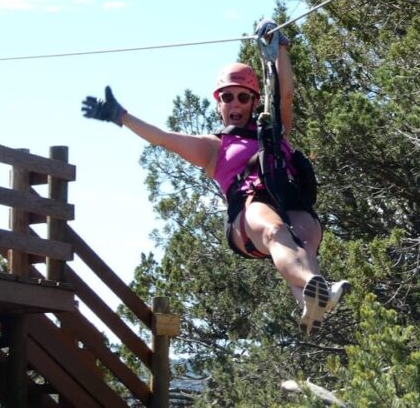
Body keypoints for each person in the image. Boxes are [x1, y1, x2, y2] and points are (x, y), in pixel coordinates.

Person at [81, 20, 349, 335]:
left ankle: (311, 300)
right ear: (218, 102)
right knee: (274, 230)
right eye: (228, 97)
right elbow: (162, 138)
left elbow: (286, 95)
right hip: (249, 211)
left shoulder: (276, 131)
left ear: (253, 101)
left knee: (307, 236)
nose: (235, 103)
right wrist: (120, 116)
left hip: (287, 197)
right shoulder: (213, 147)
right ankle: (315, 287)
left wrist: (282, 47)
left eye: (243, 97)